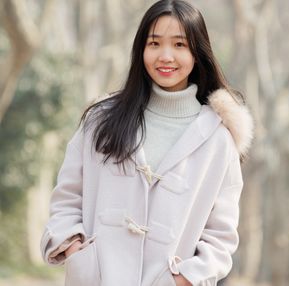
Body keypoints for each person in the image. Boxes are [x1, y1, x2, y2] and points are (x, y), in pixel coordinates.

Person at [40, 0, 253, 285]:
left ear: (197, 52)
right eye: (154, 44)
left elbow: (220, 237)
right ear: (141, 49)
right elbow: (67, 198)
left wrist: (183, 279)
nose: (166, 56)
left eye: (179, 45)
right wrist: (76, 250)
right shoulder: (101, 120)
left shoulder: (218, 139)